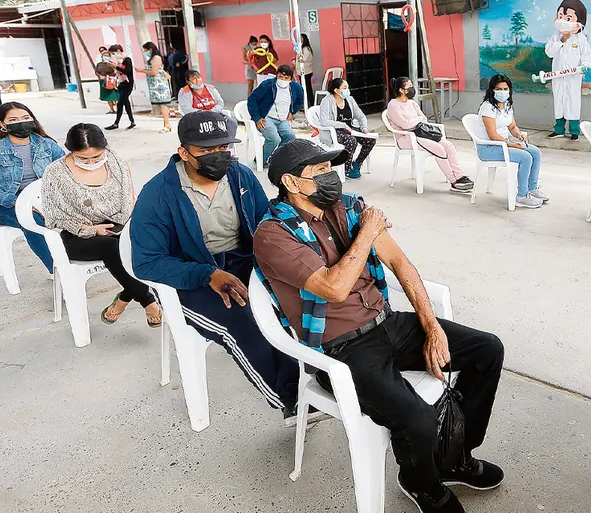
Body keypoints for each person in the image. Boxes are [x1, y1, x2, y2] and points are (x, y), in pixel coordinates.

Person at [254, 139, 505, 513]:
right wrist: (368, 234)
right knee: (416, 415)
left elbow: (400, 264)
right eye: (320, 171)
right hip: (340, 348)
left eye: (331, 168)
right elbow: (335, 289)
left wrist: (433, 326)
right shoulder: (273, 235)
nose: (331, 177)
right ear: (291, 182)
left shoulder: (348, 208)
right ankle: (422, 485)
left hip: (387, 322)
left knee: (487, 349)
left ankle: (456, 455)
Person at [129, 111, 301, 420]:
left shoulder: (240, 176)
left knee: (296, 297)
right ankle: (293, 399)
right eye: (206, 151)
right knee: (243, 318)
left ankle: (316, 377)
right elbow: (146, 263)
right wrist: (205, 274)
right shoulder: (158, 194)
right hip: (190, 277)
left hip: (242, 261)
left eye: (223, 148)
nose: (218, 156)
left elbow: (264, 224)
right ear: (184, 152)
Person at [41, 123, 163, 326]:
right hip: (77, 235)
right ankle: (148, 301)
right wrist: (90, 229)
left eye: (96, 157)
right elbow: (53, 216)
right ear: (71, 151)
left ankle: (125, 297)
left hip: (117, 225)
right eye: (83, 158)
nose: (91, 162)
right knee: (112, 247)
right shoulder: (55, 173)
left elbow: (129, 201)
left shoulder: (115, 162)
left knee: (156, 239)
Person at [0, 102, 66, 273]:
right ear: (2, 124)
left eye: (25, 118)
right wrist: (19, 202)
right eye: (13, 119)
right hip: (8, 204)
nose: (21, 122)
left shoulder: (46, 143)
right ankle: (59, 271)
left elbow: (67, 169)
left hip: (44, 199)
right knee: (32, 220)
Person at [386, 77, 474, 192]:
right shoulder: (393, 105)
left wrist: (416, 120)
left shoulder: (412, 103)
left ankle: (460, 176)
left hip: (421, 133)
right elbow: (405, 125)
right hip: (406, 138)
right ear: (402, 90)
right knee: (439, 149)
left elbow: (424, 118)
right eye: (410, 86)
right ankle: (454, 182)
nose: (413, 88)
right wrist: (417, 120)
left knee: (448, 146)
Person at [477, 75, 548, 209]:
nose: (503, 92)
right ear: (492, 90)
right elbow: (492, 135)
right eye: (499, 89)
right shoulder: (487, 108)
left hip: (504, 143)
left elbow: (512, 126)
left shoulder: (507, 105)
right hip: (489, 148)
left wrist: (519, 135)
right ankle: (521, 196)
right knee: (525, 157)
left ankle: (532, 188)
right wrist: (511, 144)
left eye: (505, 89)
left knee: (535, 152)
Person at [546, 0, 591, 141]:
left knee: (573, 102)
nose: (563, 20)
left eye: (568, 17)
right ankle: (559, 129)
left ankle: (574, 131)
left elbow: (587, 55)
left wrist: (584, 66)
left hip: (573, 77)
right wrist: (562, 40)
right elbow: (549, 52)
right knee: (559, 101)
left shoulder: (581, 39)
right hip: (558, 76)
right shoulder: (555, 37)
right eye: (561, 16)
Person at [317, 77, 375, 179]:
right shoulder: (327, 101)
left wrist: (364, 128)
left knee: (370, 140)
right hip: (334, 131)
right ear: (336, 90)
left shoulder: (350, 99)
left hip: (350, 129)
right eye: (345, 87)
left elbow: (360, 116)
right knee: (351, 141)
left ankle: (357, 163)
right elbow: (324, 121)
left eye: (347, 87)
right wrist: (342, 125)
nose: (347, 90)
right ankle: (346, 169)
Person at [246, 65, 302, 165]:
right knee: (274, 139)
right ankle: (260, 160)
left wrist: (291, 112)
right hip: (266, 118)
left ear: (290, 79)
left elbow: (300, 101)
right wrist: (257, 117)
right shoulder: (268, 85)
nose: (283, 79)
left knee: (290, 137)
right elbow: (252, 99)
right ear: (276, 76)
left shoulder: (296, 87)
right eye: (280, 77)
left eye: (286, 78)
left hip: (282, 119)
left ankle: (275, 158)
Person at [136, 41, 174, 133]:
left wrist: (142, 71)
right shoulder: (153, 58)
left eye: (146, 50)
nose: (145, 52)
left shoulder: (156, 58)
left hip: (159, 85)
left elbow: (154, 72)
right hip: (155, 84)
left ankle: (167, 124)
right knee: (161, 105)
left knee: (163, 105)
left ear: (150, 49)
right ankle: (166, 124)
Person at [105, 44, 136, 131]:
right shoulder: (119, 61)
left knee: (120, 103)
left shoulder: (127, 60)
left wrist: (117, 67)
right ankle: (132, 122)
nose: (113, 55)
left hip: (127, 83)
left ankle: (116, 123)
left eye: (114, 53)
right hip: (121, 83)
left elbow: (127, 70)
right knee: (126, 103)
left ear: (119, 51)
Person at [95, 47, 119, 115]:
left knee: (115, 96)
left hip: (111, 81)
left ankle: (119, 109)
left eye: (108, 55)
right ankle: (111, 110)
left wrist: (110, 76)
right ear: (102, 56)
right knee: (108, 96)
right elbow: (96, 72)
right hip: (103, 82)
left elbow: (116, 71)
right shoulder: (99, 64)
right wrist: (100, 76)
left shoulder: (112, 64)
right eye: (105, 55)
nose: (106, 57)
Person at [295, 33, 314, 110]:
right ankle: (306, 103)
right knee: (305, 88)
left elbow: (304, 58)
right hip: (302, 71)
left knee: (307, 89)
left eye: (301, 39)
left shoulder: (306, 48)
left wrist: (298, 54)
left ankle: (310, 104)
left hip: (306, 72)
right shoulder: (301, 48)